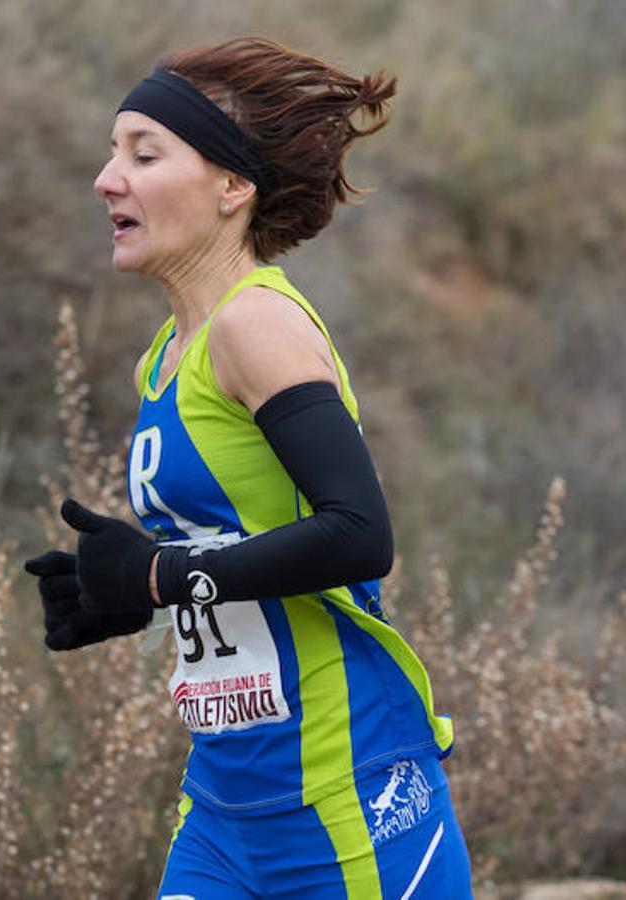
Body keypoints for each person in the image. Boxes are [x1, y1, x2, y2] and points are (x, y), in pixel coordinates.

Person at [24, 36, 473, 898]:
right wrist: (122, 597)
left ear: (233, 188)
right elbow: (233, 553)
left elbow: (357, 535)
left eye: (142, 154)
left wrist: (157, 576)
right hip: (227, 812)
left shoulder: (254, 326)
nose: (105, 178)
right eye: (112, 152)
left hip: (349, 801)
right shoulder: (165, 357)